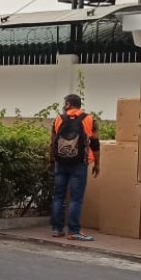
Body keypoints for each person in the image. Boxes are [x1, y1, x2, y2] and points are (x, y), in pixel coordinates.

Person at [50, 93, 101, 241]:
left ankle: (56, 229)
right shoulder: (89, 119)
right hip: (79, 163)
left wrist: (52, 162)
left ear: (68, 104)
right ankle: (73, 231)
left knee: (58, 197)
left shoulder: (58, 119)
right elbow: (95, 144)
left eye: (64, 103)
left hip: (60, 162)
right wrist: (97, 163)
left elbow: (52, 143)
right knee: (76, 199)